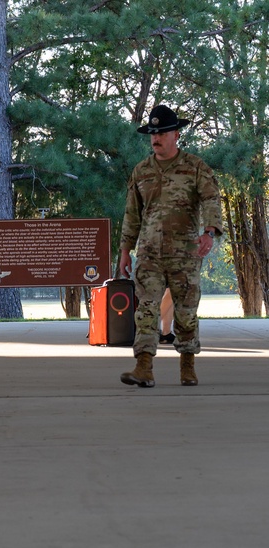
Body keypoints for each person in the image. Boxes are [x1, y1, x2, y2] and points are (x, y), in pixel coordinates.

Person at [118, 105, 223, 387]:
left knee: (186, 312)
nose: (156, 138)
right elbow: (132, 214)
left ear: (176, 134)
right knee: (146, 311)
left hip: (185, 254)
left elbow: (212, 198)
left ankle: (187, 365)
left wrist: (209, 231)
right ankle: (144, 367)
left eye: (162, 132)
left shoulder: (195, 167)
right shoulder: (141, 171)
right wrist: (125, 251)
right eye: (153, 133)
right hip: (149, 254)